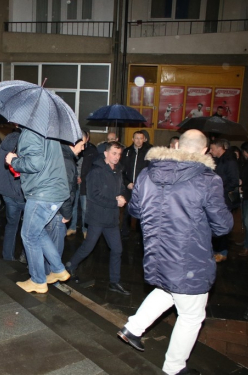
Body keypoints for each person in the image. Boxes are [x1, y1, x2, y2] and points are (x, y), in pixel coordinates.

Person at [118, 130, 233, 375]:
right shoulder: (207, 179)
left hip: (157, 251)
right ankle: (174, 368)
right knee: (191, 315)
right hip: (190, 257)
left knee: (168, 290)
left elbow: (135, 211)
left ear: (177, 145)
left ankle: (133, 328)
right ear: (204, 151)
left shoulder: (148, 172)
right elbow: (223, 225)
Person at [6, 128, 70, 294]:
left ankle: (37, 280)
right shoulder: (49, 132)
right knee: (37, 232)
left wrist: (14, 161)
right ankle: (58, 269)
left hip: (42, 193)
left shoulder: (30, 133)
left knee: (28, 235)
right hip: (54, 191)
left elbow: (35, 163)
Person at [65, 141, 130, 295]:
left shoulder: (119, 171)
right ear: (106, 154)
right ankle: (69, 266)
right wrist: (115, 202)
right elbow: (94, 196)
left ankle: (114, 282)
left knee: (117, 249)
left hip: (112, 219)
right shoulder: (96, 171)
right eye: (114, 153)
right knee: (88, 247)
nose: (117, 157)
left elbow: (121, 189)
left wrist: (122, 196)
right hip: (97, 217)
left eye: (119, 154)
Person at [45, 134, 87, 275]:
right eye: (81, 145)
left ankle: (45, 275)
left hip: (49, 207)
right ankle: (53, 279)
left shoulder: (56, 153)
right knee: (55, 250)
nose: (83, 149)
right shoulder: (68, 161)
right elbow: (66, 191)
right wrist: (67, 214)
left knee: (47, 245)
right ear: (72, 144)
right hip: (58, 211)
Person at [0, 126, 25, 261]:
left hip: (6, 192)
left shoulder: (4, 142)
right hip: (20, 192)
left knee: (11, 225)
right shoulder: (23, 143)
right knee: (28, 228)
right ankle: (26, 256)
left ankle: (7, 256)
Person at [209, 138, 239, 262]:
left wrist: (220, 189)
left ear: (220, 148)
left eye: (212, 149)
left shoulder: (229, 161)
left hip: (225, 198)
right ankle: (216, 251)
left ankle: (222, 252)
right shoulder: (218, 160)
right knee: (215, 225)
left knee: (222, 225)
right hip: (217, 198)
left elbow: (234, 181)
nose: (211, 151)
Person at [120, 130, 151, 238]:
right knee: (127, 210)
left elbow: (151, 171)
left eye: (141, 138)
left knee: (142, 211)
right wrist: (127, 183)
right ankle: (124, 231)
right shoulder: (127, 152)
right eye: (136, 138)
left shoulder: (149, 153)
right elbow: (121, 171)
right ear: (132, 139)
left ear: (144, 139)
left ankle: (140, 233)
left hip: (143, 188)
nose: (138, 140)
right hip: (129, 187)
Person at [67, 130, 98, 238]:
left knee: (85, 208)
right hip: (73, 182)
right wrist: (75, 177)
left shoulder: (92, 150)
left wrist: (83, 178)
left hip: (85, 184)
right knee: (73, 206)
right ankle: (72, 227)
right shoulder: (72, 148)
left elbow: (94, 168)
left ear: (87, 137)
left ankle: (85, 229)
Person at [239, 141, 248, 257]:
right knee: (245, 220)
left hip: (246, 194)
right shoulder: (245, 163)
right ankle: (246, 243)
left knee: (247, 221)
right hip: (245, 195)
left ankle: (247, 246)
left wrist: (242, 186)